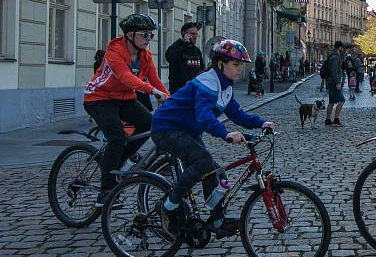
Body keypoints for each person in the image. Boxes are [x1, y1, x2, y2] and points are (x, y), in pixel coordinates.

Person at [151, 39, 276, 239]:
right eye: (235, 65)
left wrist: (261, 123)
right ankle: (169, 206)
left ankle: (217, 221)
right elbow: (204, 115)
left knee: (217, 173)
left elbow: (236, 113)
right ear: (220, 64)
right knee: (202, 162)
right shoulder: (208, 82)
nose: (239, 69)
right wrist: (225, 133)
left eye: (241, 65)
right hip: (167, 128)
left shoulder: (225, 85)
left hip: (188, 131)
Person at [84, 14, 170, 205]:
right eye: (145, 35)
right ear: (130, 35)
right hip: (99, 98)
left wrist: (170, 99)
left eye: (151, 36)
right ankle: (106, 190)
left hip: (124, 98)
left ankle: (120, 163)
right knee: (117, 137)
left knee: (149, 124)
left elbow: (154, 78)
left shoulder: (144, 55)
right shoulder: (114, 51)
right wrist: (152, 91)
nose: (148, 40)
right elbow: (125, 77)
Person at [165, 22, 204, 95]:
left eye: (196, 34)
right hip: (179, 90)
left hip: (195, 90)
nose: (195, 36)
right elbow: (170, 57)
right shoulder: (176, 47)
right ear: (184, 34)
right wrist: (184, 44)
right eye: (192, 34)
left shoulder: (196, 50)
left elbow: (201, 68)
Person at [324, 41, 346, 126]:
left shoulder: (332, 56)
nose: (342, 49)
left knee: (332, 101)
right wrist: (337, 83)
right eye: (342, 47)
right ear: (339, 47)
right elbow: (334, 71)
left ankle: (328, 120)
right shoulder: (336, 57)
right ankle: (336, 119)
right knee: (341, 100)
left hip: (330, 81)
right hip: (333, 82)